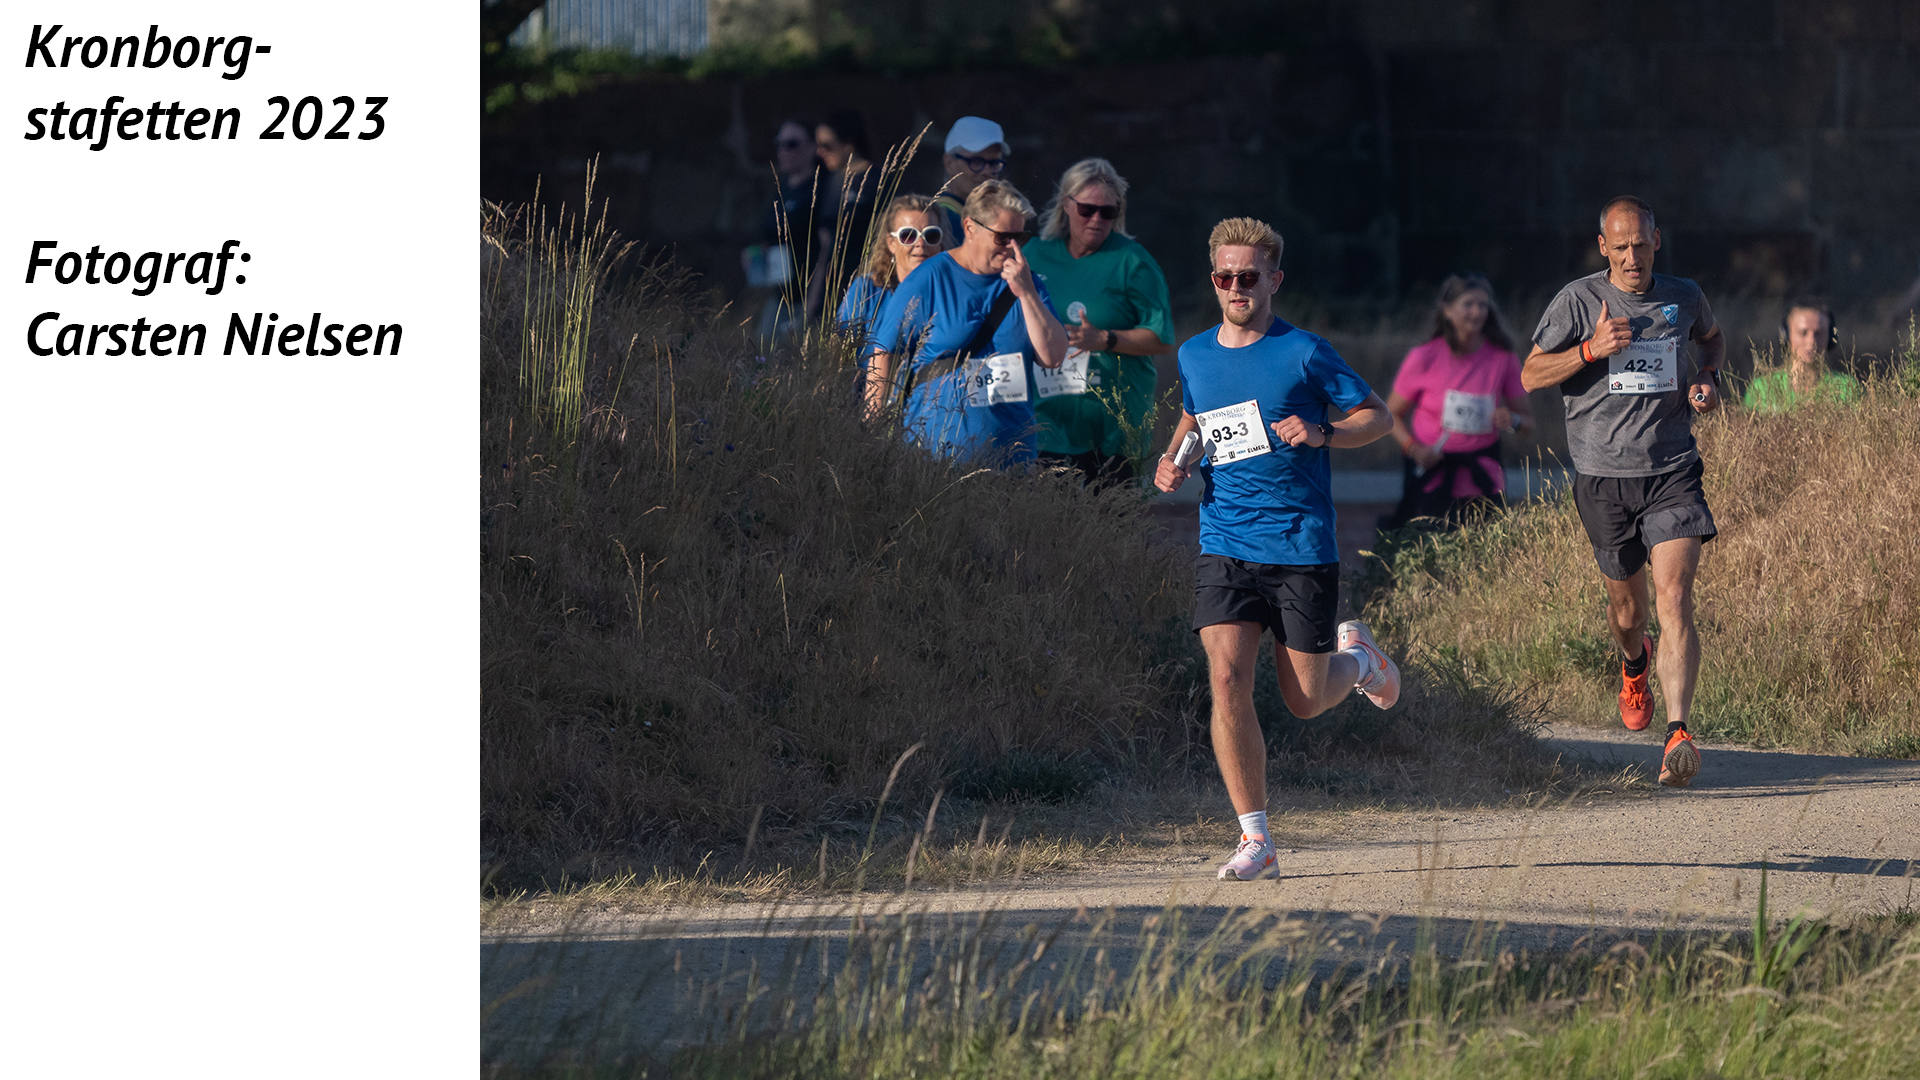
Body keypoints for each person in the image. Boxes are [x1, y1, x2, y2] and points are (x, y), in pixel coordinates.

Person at [1152, 217, 1400, 882]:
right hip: (1225, 539)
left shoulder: (1305, 352)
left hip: (1299, 544)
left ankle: (1359, 660)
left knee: (1306, 701)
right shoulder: (1195, 353)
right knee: (1227, 679)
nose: (1237, 287)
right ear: (1214, 281)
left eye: (1249, 277)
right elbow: (1196, 415)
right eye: (1226, 277)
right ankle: (1255, 839)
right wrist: (1175, 459)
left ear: (1274, 281)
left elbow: (1378, 417)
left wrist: (1322, 432)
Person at [1521, 196, 1724, 788]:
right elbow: (1530, 373)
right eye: (1621, 246)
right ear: (1603, 247)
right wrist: (1590, 349)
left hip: (1673, 470)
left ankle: (1679, 733)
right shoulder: (1579, 302)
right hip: (1604, 479)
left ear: (1657, 239)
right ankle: (1634, 663)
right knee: (1629, 613)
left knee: (1674, 597)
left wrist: (1706, 380)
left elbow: (1712, 341)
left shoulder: (1683, 296)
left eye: (1642, 243)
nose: (1633, 257)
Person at [866, 180, 1068, 464]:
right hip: (935, 461)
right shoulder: (929, 278)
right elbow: (883, 352)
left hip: (1011, 463)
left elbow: (1054, 356)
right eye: (1002, 237)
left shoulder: (1026, 281)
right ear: (970, 228)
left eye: (1019, 238)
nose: (1011, 247)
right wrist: (871, 438)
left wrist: (1027, 293)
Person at [1023, 158, 1176, 487]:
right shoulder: (1034, 254)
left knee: (1108, 527)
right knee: (1043, 527)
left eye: (1108, 212)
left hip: (1112, 427)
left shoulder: (1132, 261)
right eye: (1087, 209)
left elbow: (1161, 338)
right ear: (1066, 204)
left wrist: (1105, 339)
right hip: (1048, 420)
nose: (1097, 219)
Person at [1380, 274, 1535, 528]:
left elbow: (1528, 422)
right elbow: (1390, 415)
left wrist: (1512, 420)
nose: (1476, 312)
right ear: (1447, 311)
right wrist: (1414, 448)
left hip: (1482, 472)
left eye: (1483, 305)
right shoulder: (1424, 356)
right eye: (1468, 304)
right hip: (1431, 469)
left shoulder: (1502, 357)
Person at [836, 193, 947, 347]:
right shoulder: (866, 290)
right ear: (891, 243)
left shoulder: (950, 292)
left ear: (940, 243)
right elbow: (838, 348)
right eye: (908, 235)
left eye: (931, 235)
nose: (920, 243)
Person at [809, 109, 880, 318]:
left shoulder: (875, 181)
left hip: (864, 288)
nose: (819, 152)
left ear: (849, 144)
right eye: (817, 145)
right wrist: (812, 301)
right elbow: (825, 247)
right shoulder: (830, 182)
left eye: (827, 145)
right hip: (828, 289)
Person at [753, 116, 824, 324]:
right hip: (780, 295)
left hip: (811, 298)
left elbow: (827, 249)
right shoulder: (782, 188)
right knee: (763, 352)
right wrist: (758, 258)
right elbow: (772, 238)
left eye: (792, 144)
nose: (784, 151)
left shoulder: (822, 190)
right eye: (780, 144)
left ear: (813, 148)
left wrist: (812, 306)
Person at [1742, 301, 1861, 414]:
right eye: (1803, 333)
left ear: (1830, 338)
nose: (1811, 341)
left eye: (1818, 333)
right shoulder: (1762, 388)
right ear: (1786, 337)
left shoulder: (1847, 388)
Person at [931, 117, 1010, 239]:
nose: (987, 171)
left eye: (994, 163)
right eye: (976, 162)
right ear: (949, 163)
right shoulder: (940, 219)